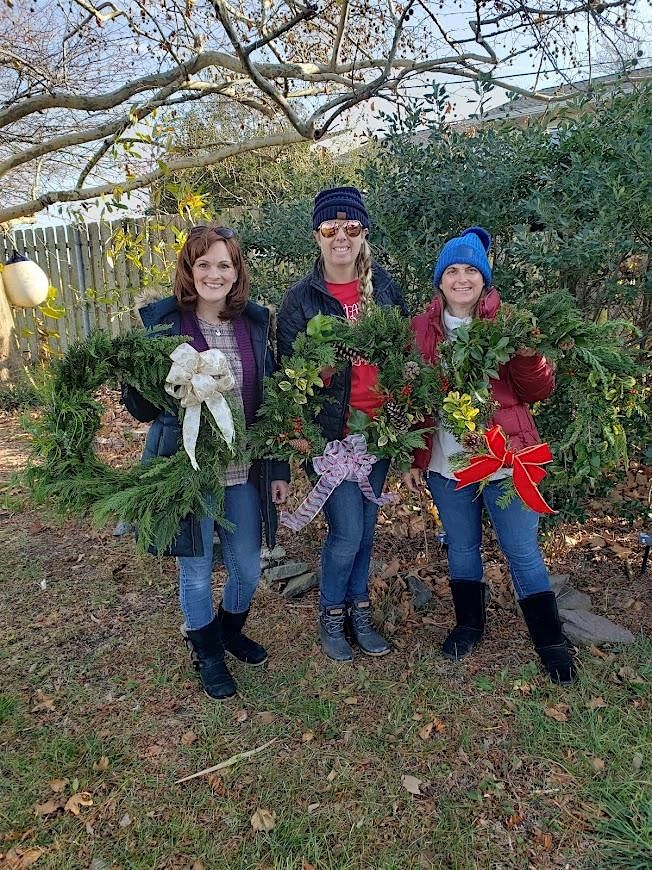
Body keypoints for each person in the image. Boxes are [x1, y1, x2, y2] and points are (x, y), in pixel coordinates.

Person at [123, 225, 290, 700]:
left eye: (224, 264)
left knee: (247, 566)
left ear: (236, 273)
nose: (214, 273)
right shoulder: (163, 325)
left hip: (243, 472)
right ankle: (207, 653)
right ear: (189, 270)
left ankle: (228, 631)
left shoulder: (257, 325)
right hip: (188, 474)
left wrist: (276, 468)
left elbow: (272, 403)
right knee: (195, 570)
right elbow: (141, 409)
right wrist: (143, 380)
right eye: (204, 264)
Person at [404, 227, 576, 685]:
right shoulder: (421, 328)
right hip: (448, 464)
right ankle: (468, 625)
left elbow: (537, 389)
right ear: (439, 280)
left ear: (485, 279)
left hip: (507, 460)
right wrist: (410, 455)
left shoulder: (509, 322)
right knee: (461, 546)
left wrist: (528, 354)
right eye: (452, 270)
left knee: (521, 549)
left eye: (471, 271)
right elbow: (409, 393)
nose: (462, 279)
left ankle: (550, 641)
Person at [277, 186, 408, 662]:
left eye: (351, 228)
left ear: (363, 233)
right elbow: (289, 375)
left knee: (367, 530)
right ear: (316, 235)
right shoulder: (300, 301)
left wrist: (403, 412)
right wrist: (325, 366)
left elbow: (403, 357)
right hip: (331, 436)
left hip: (378, 433)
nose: (341, 238)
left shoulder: (386, 289)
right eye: (330, 229)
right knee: (348, 530)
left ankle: (360, 611)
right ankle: (331, 613)